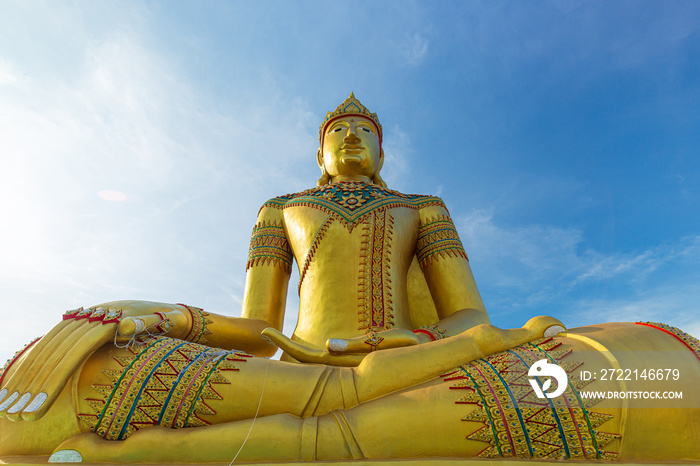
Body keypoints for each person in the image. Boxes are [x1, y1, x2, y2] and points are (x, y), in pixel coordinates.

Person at [0, 95, 698, 463]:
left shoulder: (420, 208)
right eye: (340, 132)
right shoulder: (281, 209)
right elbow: (252, 332)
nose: (353, 139)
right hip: (295, 371)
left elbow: (466, 319)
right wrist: (163, 319)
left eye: (365, 130)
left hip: (419, 363)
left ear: (383, 148)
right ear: (321, 151)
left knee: (633, 368)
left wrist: (411, 337)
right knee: (111, 360)